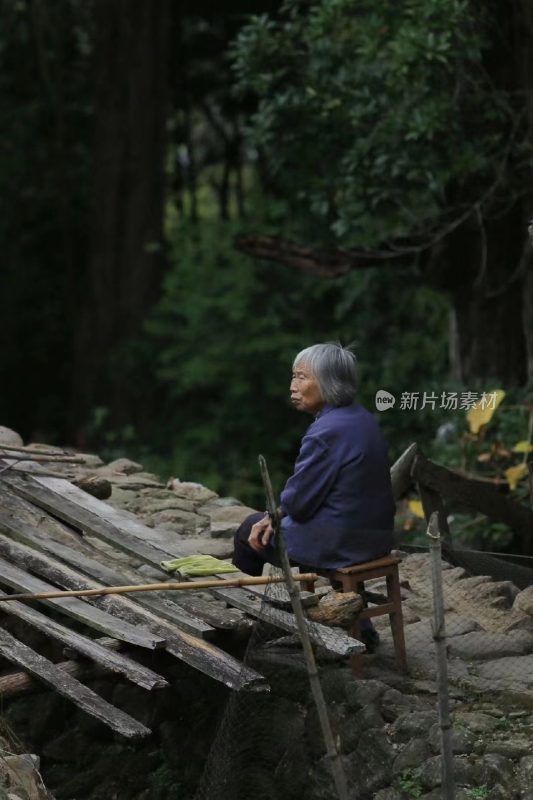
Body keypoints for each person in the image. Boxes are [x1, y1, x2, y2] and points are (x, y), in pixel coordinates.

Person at [232, 342, 395, 649]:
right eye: (294, 377)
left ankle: (244, 626)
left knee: (247, 532)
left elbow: (299, 503)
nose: (293, 386)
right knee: (276, 522)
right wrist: (278, 514)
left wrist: (272, 515)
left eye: (301, 377)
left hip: (343, 540)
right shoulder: (363, 419)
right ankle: (363, 628)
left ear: (330, 383)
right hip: (376, 536)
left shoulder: (327, 431)